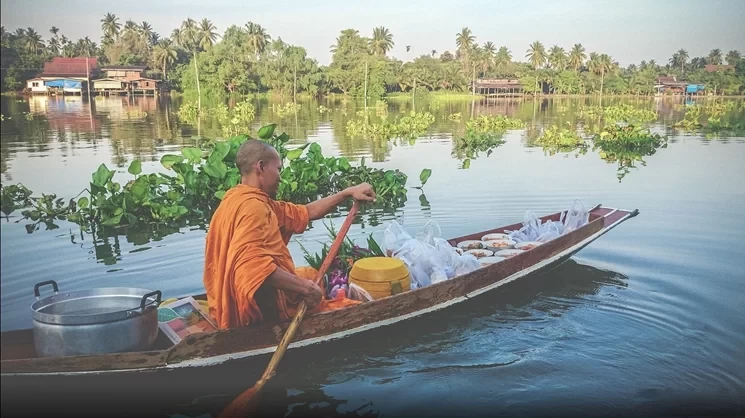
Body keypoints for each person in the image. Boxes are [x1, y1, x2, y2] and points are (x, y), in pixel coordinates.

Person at [203, 139, 377, 329]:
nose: (280, 177)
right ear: (261, 167)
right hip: (254, 313)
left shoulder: (237, 199)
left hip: (224, 301)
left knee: (310, 274)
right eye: (278, 169)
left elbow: (307, 212)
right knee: (320, 290)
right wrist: (305, 289)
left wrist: (347, 193)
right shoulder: (253, 208)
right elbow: (252, 269)